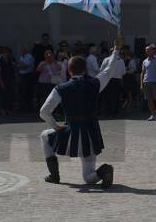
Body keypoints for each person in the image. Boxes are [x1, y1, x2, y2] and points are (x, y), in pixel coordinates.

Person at [39, 43, 123, 186]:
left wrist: (55, 126)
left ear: (69, 71)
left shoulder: (61, 88)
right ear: (85, 70)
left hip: (71, 131)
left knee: (45, 135)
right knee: (88, 177)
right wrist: (116, 50)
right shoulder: (95, 83)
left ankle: (54, 175)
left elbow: (44, 112)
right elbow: (108, 71)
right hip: (92, 133)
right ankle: (103, 171)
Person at [141, 44, 156, 121]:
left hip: (155, 82)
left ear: (153, 51)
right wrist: (141, 84)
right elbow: (142, 72)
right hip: (146, 82)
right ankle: (153, 115)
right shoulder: (144, 61)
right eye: (146, 51)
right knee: (149, 100)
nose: (147, 52)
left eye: (148, 50)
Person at [0, 48, 17, 113]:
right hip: (4, 80)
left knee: (11, 95)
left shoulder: (11, 60)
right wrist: (1, 82)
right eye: (4, 53)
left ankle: (9, 109)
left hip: (11, 79)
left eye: (6, 52)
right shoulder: (0, 61)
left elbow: (15, 69)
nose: (5, 54)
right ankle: (3, 109)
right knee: (4, 95)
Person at [17, 47, 36, 112]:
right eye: (21, 50)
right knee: (21, 92)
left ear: (25, 50)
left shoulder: (29, 57)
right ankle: (22, 107)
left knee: (27, 92)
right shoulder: (21, 57)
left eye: (22, 50)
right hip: (21, 75)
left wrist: (21, 65)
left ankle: (28, 107)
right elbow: (19, 66)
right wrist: (21, 65)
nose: (21, 51)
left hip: (28, 76)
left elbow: (24, 66)